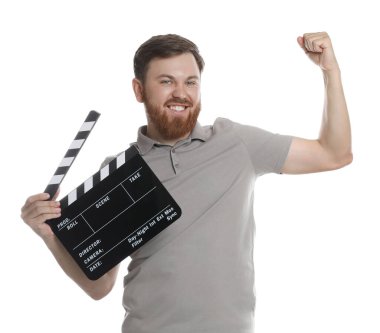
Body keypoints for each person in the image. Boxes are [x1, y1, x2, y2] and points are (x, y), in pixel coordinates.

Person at [21, 32, 352, 333]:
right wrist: (49, 235)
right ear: (139, 90)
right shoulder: (119, 171)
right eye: (166, 81)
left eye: (191, 82)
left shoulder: (236, 143)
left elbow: (333, 153)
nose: (181, 93)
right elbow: (99, 286)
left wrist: (330, 72)